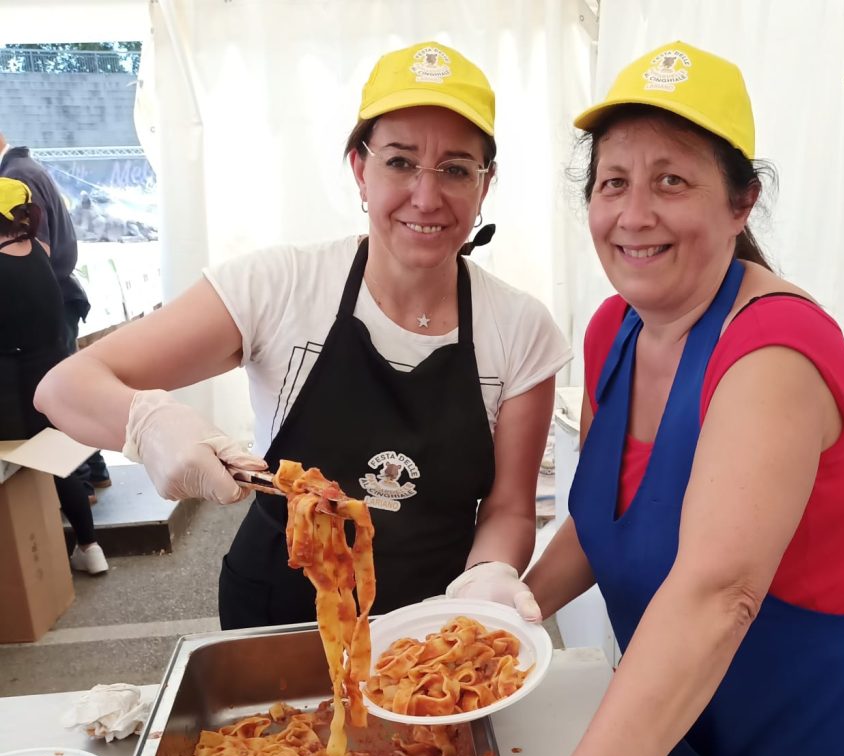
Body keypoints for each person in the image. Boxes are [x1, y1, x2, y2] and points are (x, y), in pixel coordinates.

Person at [465, 42, 844, 756]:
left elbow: (719, 589)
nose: (634, 212)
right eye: (613, 181)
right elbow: (606, 516)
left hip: (784, 724)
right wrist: (514, 603)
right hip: (683, 699)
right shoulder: (617, 330)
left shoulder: (774, 354)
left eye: (672, 180)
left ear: (740, 201)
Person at [36, 41, 569, 623]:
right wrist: (148, 423)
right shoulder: (280, 284)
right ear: (360, 169)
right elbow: (64, 388)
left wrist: (488, 575)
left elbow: (510, 509)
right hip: (278, 611)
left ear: (485, 185)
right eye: (399, 161)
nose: (427, 194)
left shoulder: (519, 327)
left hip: (437, 624)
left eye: (456, 169)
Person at [0, 178, 107, 574]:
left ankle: (25, 565)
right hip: (51, 377)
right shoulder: (39, 251)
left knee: (22, 467)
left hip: (11, 391)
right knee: (60, 462)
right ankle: (90, 547)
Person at [0, 131, 111, 494]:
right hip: (52, 299)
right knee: (63, 397)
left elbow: (35, 248)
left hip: (45, 303)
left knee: (54, 404)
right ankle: (89, 476)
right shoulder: (25, 167)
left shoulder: (14, 178)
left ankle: (80, 483)